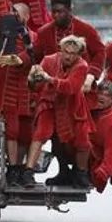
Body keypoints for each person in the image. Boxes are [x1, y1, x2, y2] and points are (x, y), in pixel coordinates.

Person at [25, 36, 93, 190]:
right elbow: (34, 87)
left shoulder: (82, 66)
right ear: (60, 50)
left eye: (73, 54)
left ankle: (81, 173)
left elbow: (70, 87)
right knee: (42, 133)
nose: (68, 56)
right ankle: (28, 172)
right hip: (49, 102)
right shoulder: (49, 60)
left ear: (79, 54)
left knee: (82, 140)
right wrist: (32, 78)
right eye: (66, 52)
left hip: (72, 106)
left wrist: (49, 79)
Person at [0, 3, 35, 186]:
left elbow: (37, 56)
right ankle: (12, 168)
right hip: (5, 91)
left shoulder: (33, 37)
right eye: (11, 12)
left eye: (16, 13)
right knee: (11, 132)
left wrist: (20, 59)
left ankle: (21, 168)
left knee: (26, 134)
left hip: (26, 93)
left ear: (26, 16)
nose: (13, 15)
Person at [32, 0, 106, 71]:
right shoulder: (44, 32)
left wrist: (92, 74)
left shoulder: (87, 30)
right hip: (51, 76)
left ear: (70, 10)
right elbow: (34, 56)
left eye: (60, 12)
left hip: (82, 76)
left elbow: (100, 52)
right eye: (53, 12)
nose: (56, 15)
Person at [89, 81, 112, 195]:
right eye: (100, 93)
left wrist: (101, 173)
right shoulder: (95, 110)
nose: (102, 97)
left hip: (95, 163)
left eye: (107, 95)